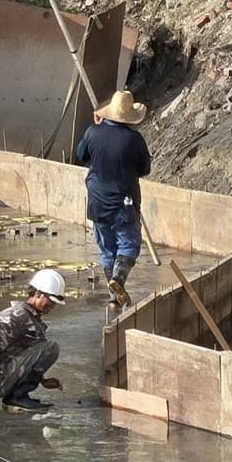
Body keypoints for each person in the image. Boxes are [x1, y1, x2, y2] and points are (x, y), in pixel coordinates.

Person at [74, 89, 151, 309]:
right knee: (128, 245)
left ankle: (113, 298)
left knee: (107, 249)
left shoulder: (92, 132)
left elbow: (81, 156)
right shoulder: (134, 140)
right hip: (123, 202)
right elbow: (144, 169)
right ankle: (117, 280)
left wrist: (96, 129)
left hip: (97, 201)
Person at [0, 269, 65, 412]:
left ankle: (17, 395)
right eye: (50, 301)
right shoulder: (16, 316)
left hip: (2, 376)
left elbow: (23, 352)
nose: (52, 306)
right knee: (51, 348)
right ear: (38, 293)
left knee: (45, 347)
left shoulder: (32, 319)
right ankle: (17, 397)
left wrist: (42, 380)